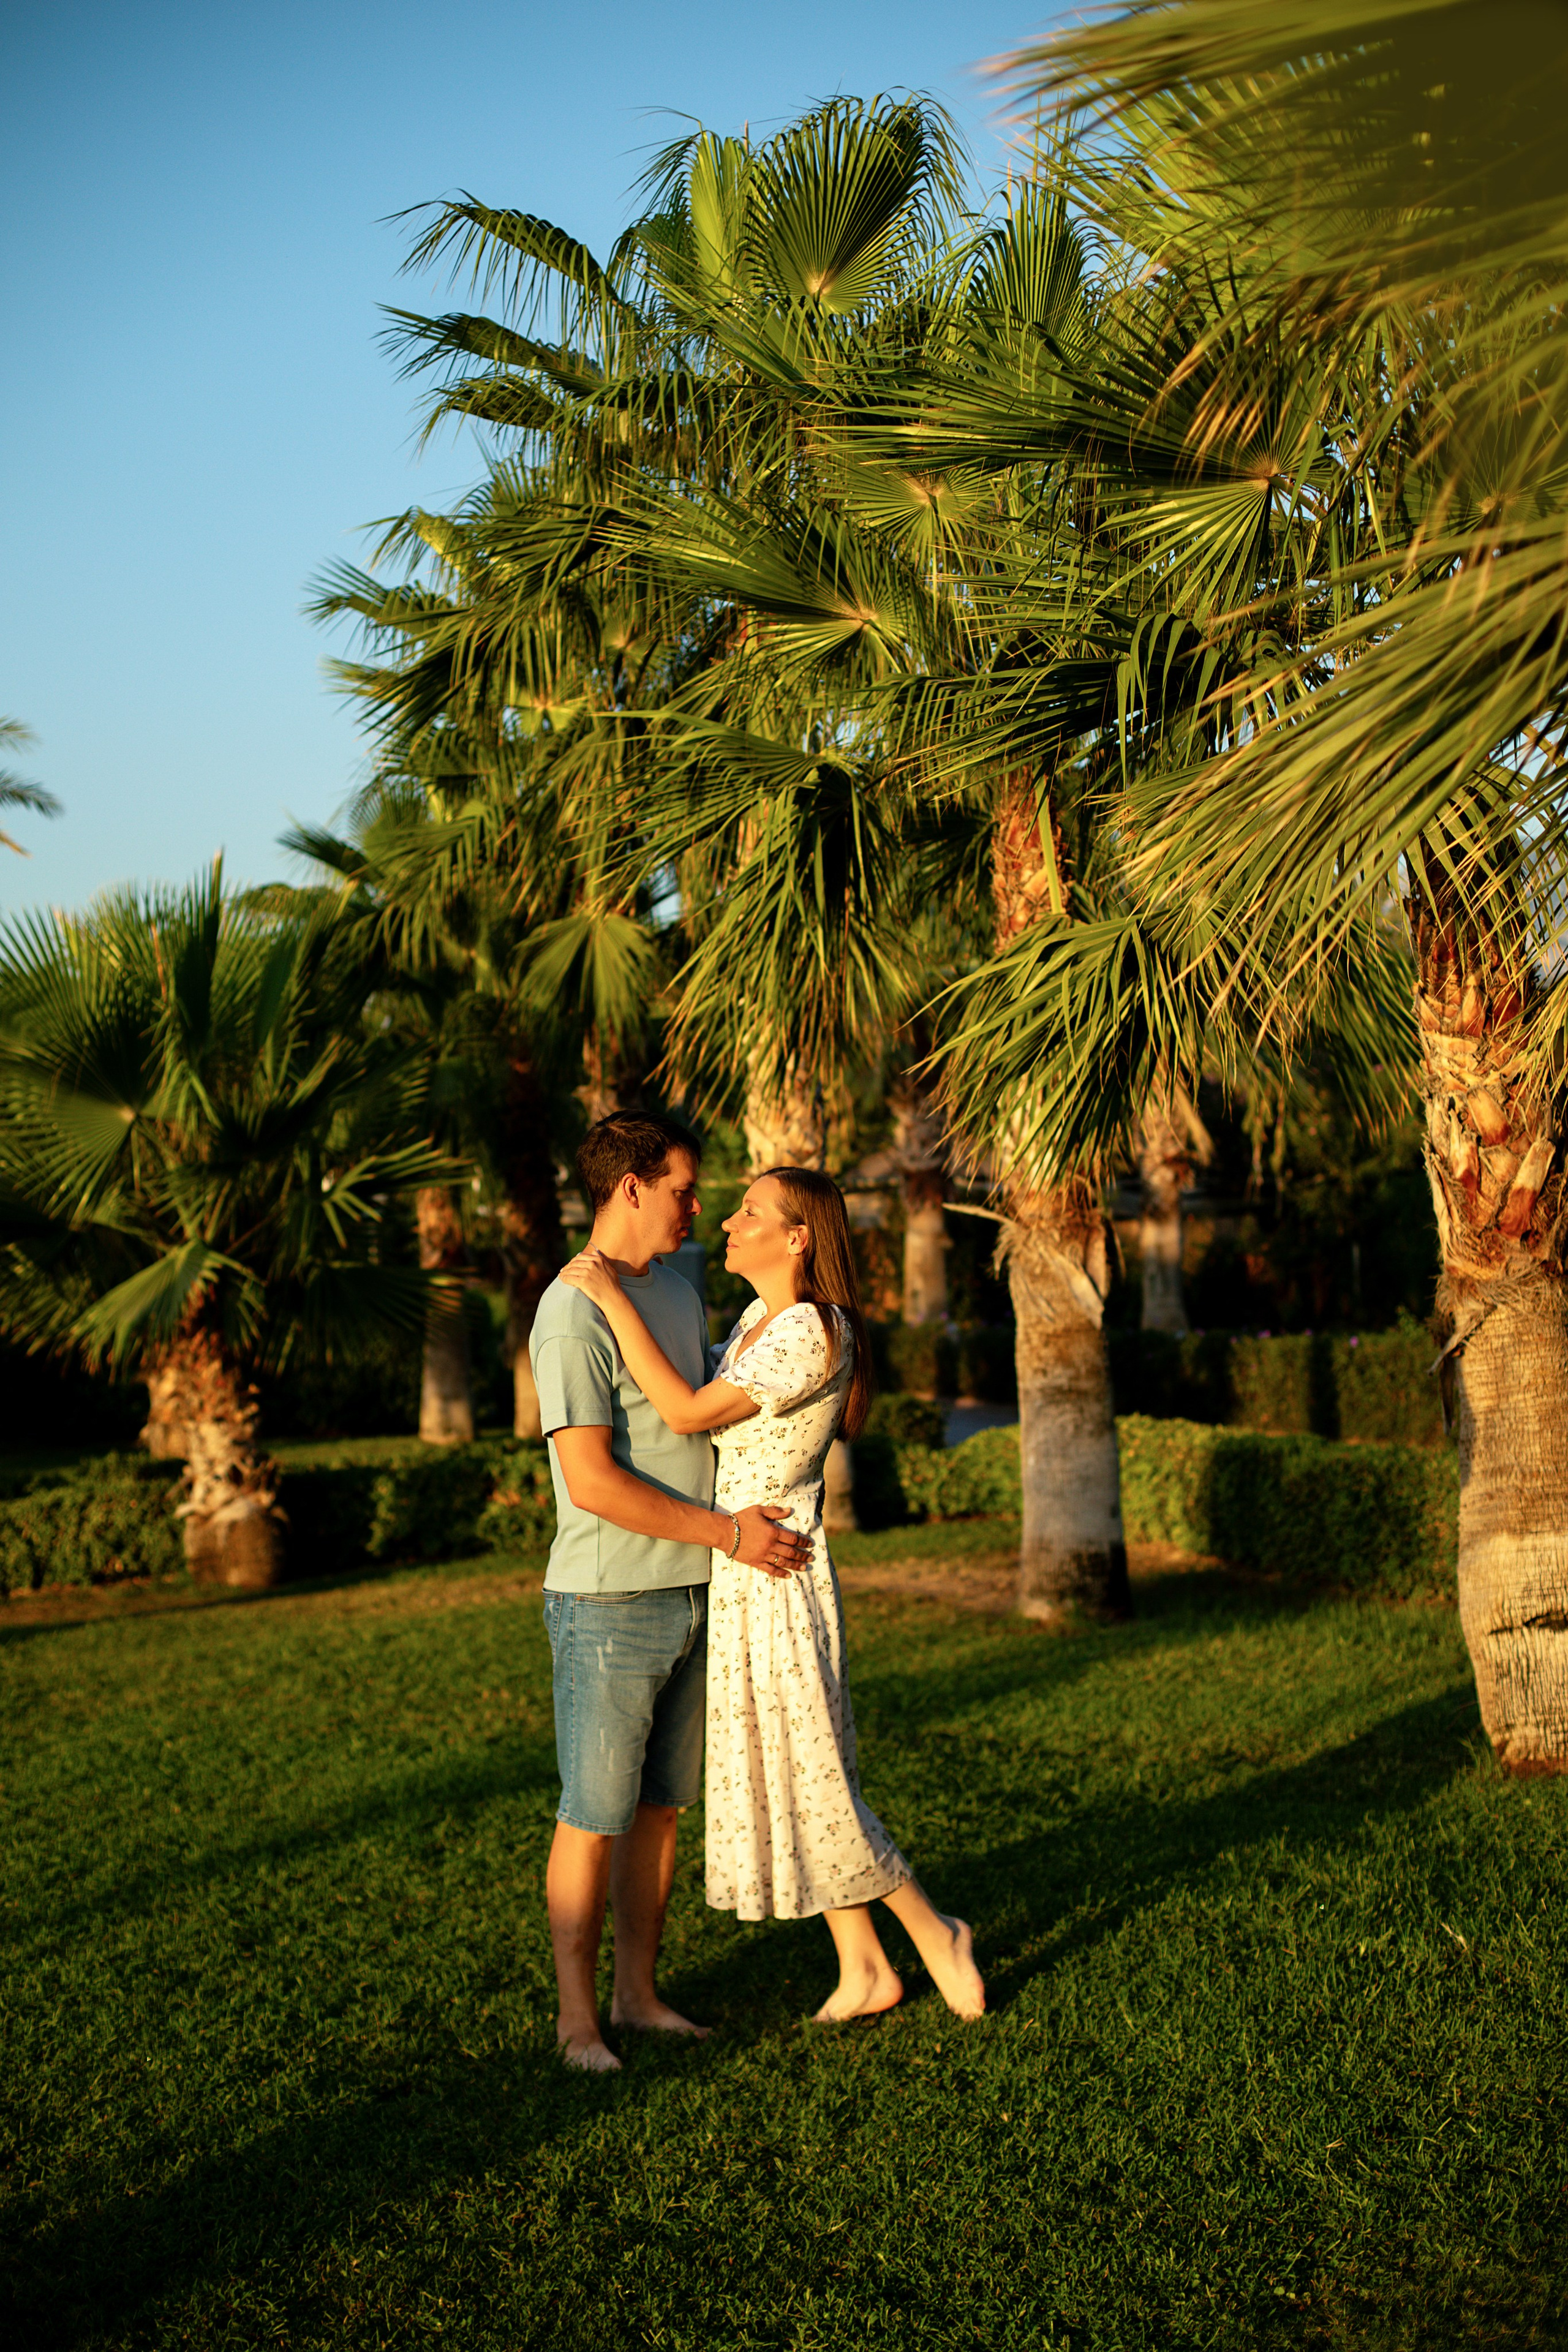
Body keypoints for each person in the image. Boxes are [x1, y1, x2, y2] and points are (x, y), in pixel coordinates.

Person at [561, 1164, 986, 2025]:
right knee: (794, 1770)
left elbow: (684, 1413)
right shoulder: (762, 1320)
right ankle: (864, 1965)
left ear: (798, 1237)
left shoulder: (811, 1331)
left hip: (779, 1571)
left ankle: (936, 1931)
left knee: (818, 1777)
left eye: (749, 1211)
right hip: (745, 1570)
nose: (727, 1220)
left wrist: (608, 1298)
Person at [530, 1114, 809, 2072]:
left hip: (703, 1595)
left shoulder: (683, 1289)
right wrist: (731, 1534)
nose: (702, 1206)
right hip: (612, 1602)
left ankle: (639, 1996)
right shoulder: (570, 1310)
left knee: (659, 1810)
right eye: (687, 1188)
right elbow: (594, 1483)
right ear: (633, 1187)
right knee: (594, 1811)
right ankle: (577, 2024)